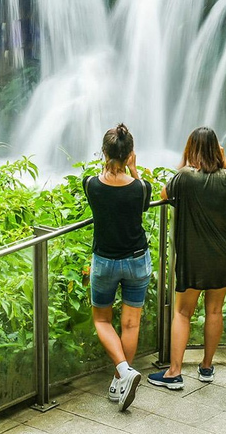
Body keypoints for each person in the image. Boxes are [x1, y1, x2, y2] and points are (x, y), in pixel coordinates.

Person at [148, 126, 226, 390]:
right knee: (214, 310)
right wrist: (223, 161)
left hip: (193, 257)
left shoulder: (185, 178)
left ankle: (174, 373)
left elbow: (163, 195)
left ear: (191, 150)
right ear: (216, 150)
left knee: (182, 312)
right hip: (224, 254)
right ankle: (206, 368)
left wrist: (184, 162)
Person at [82, 123, 152, 412]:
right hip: (137, 260)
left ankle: (122, 373)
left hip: (105, 263)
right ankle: (121, 378)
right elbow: (143, 199)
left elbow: (101, 182)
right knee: (131, 323)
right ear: (130, 155)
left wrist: (111, 165)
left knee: (101, 320)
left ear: (103, 152)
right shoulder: (141, 188)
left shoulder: (90, 184)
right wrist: (134, 171)